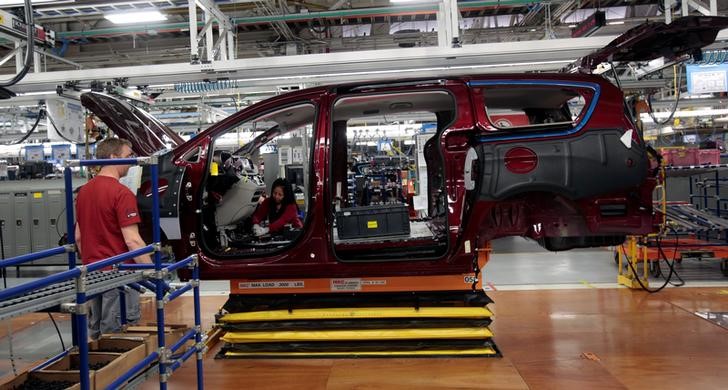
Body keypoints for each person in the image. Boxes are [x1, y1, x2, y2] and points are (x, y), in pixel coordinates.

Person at [75, 138, 152, 340]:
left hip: (92, 273)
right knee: (119, 335)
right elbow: (133, 241)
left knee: (97, 333)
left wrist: (92, 261)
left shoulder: (84, 191)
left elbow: (78, 237)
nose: (131, 162)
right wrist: (152, 271)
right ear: (113, 157)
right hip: (119, 275)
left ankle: (95, 371)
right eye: (128, 156)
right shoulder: (121, 193)